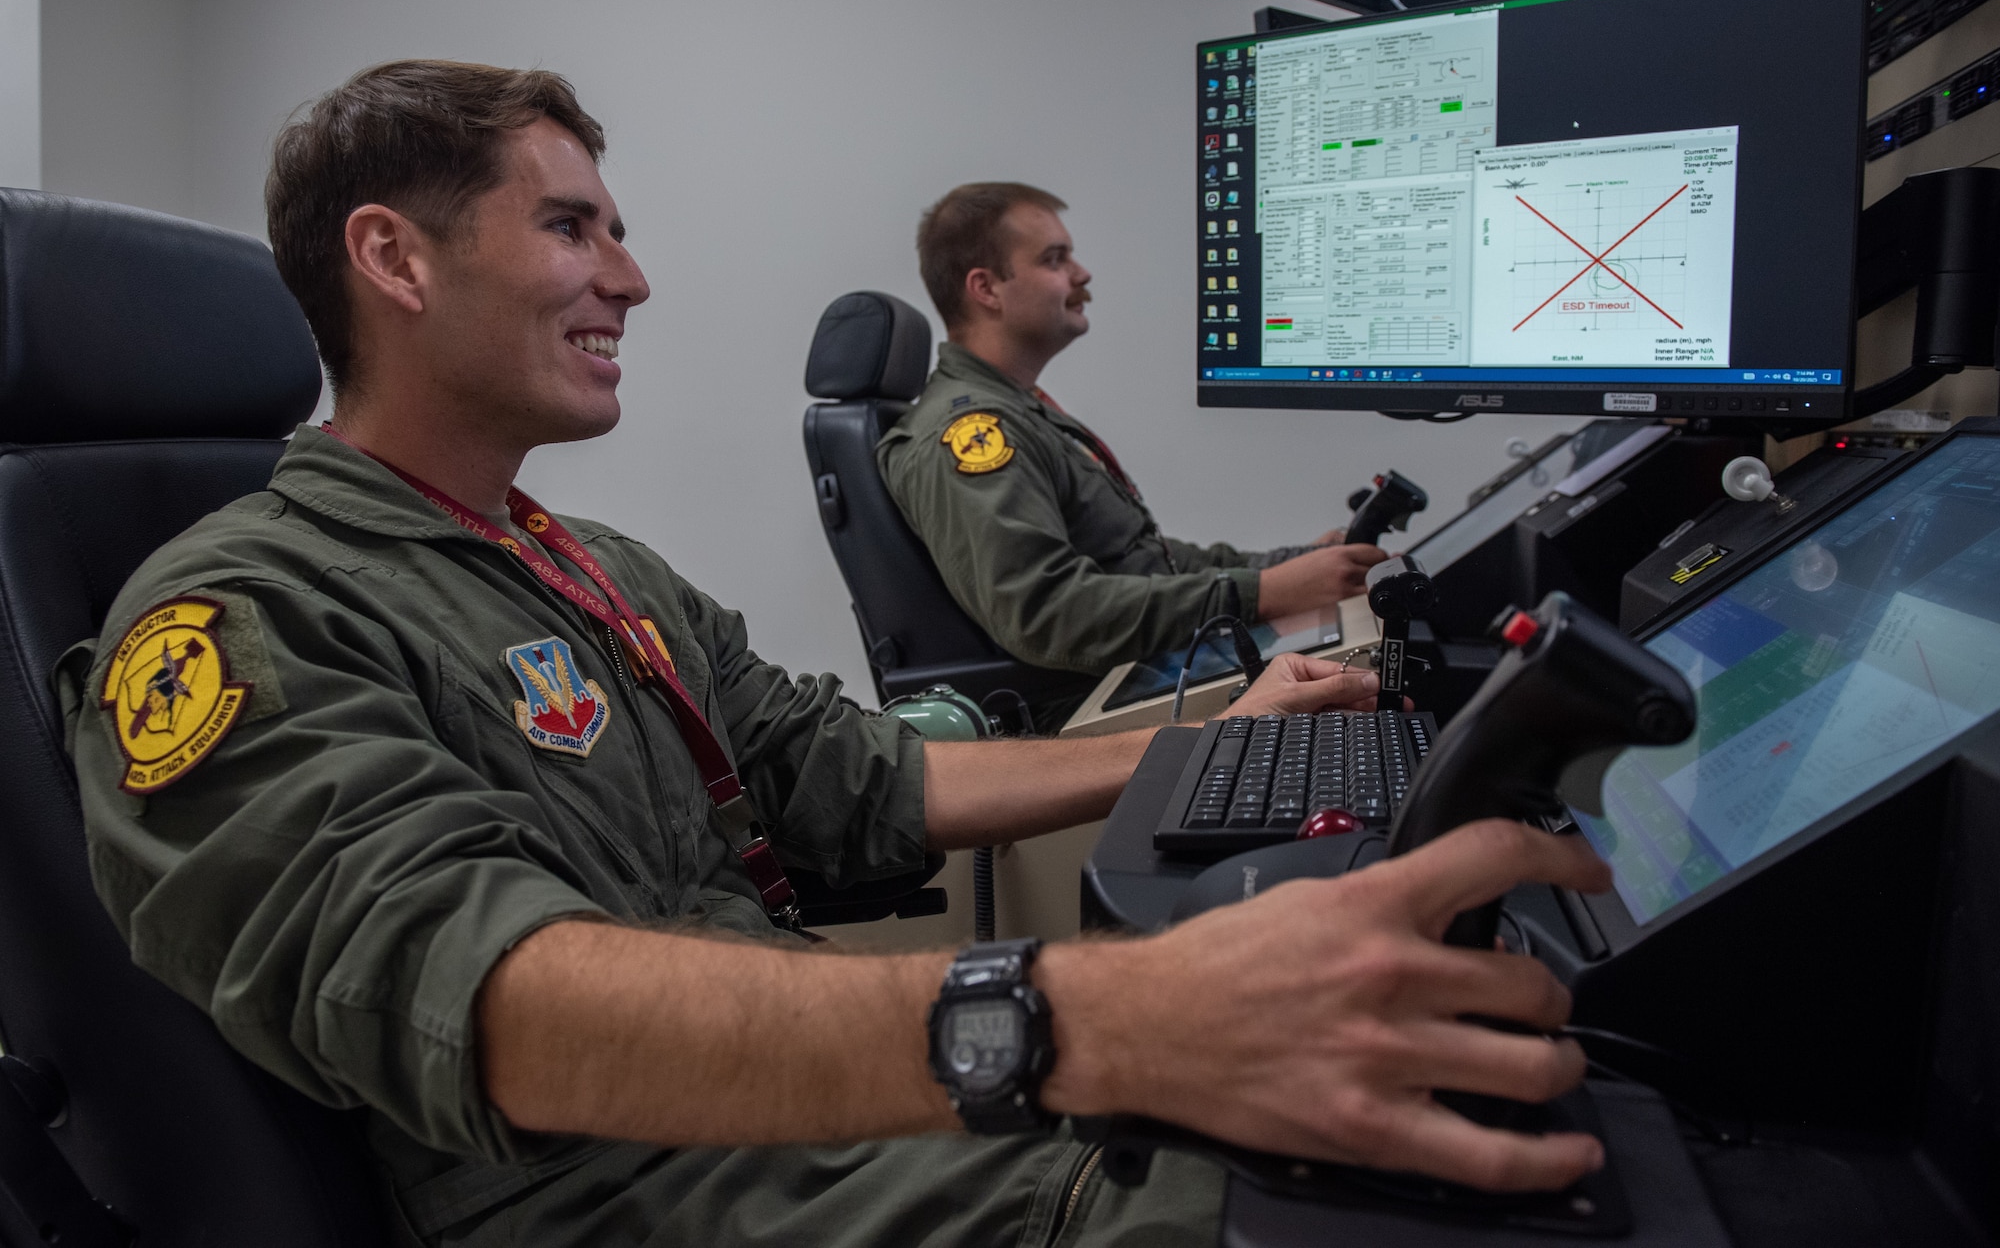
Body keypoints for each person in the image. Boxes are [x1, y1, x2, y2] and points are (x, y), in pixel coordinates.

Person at [64, 61, 1611, 1248]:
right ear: (396, 260)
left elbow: (854, 768)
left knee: (1542, 1114)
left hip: (823, 1114)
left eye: (619, 226)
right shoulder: (234, 624)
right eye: (570, 225)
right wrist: (1096, 1017)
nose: (634, 276)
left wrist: (1197, 745)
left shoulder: (588, 566)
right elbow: (487, 997)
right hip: (644, 1195)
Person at [877, 183, 1389, 726]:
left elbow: (1141, 560)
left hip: (1132, 674)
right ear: (985, 289)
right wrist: (1259, 594)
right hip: (1082, 714)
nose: (1082, 274)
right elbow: (1048, 615)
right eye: (1055, 259)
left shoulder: (1022, 411)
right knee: (1371, 696)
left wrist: (1284, 567)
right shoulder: (973, 432)